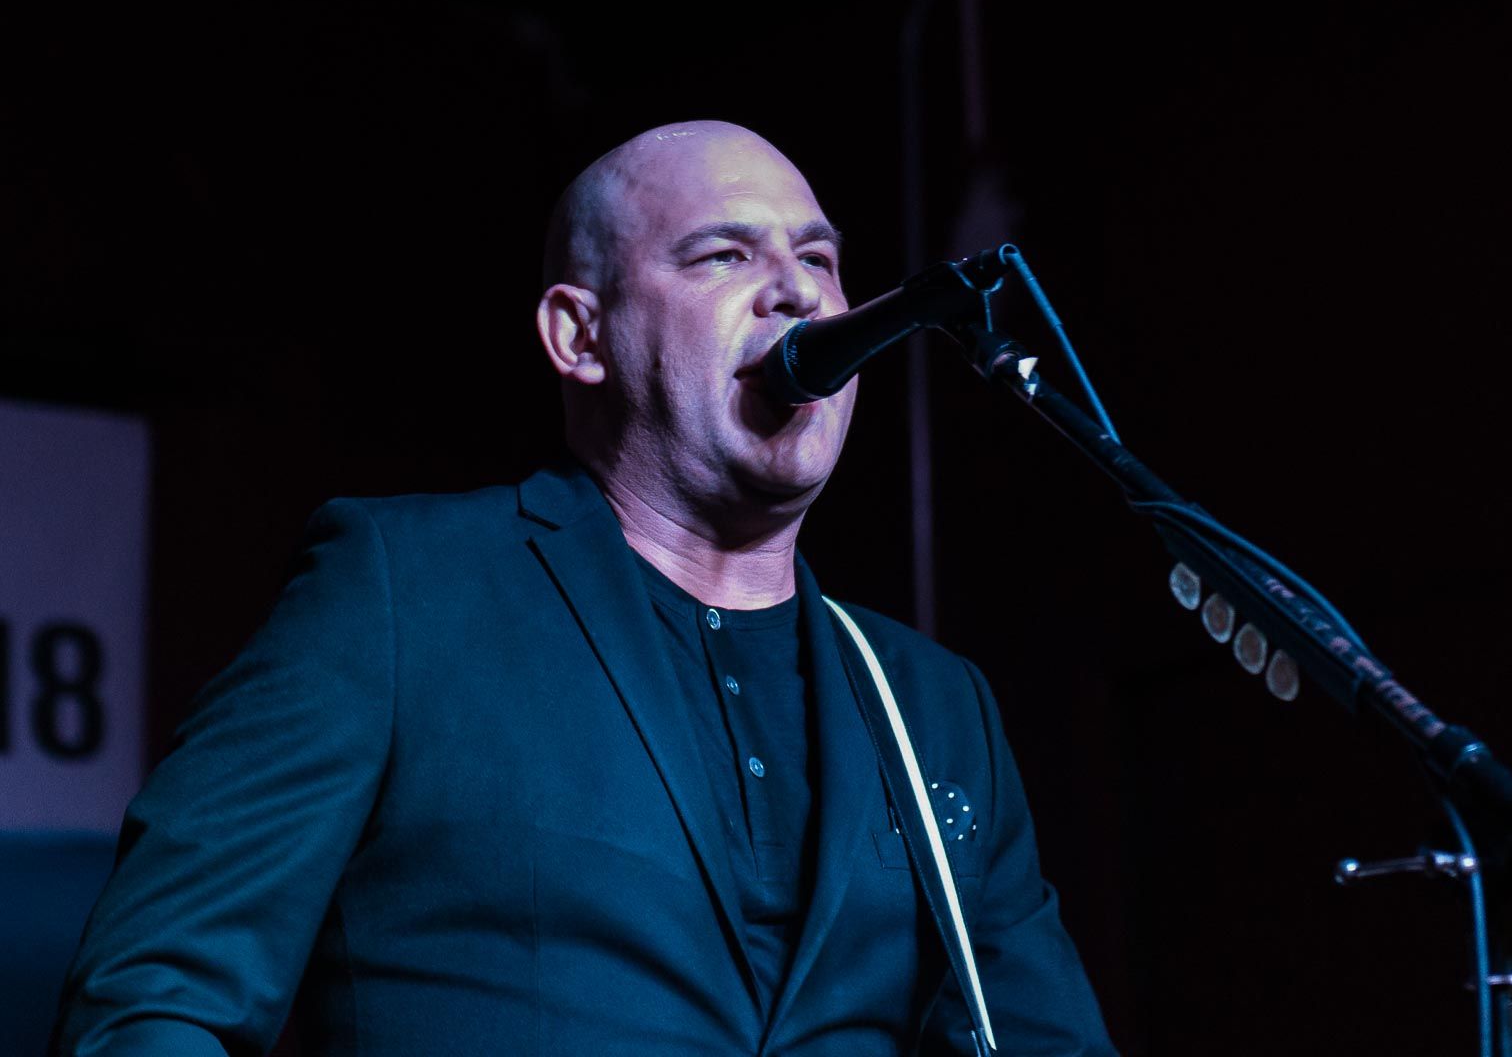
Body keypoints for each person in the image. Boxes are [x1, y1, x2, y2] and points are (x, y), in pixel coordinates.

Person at [52, 121, 1116, 1055]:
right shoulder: (402, 593)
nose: (798, 291)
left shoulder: (931, 705)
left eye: (820, 259)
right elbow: (152, 997)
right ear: (580, 334)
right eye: (724, 254)